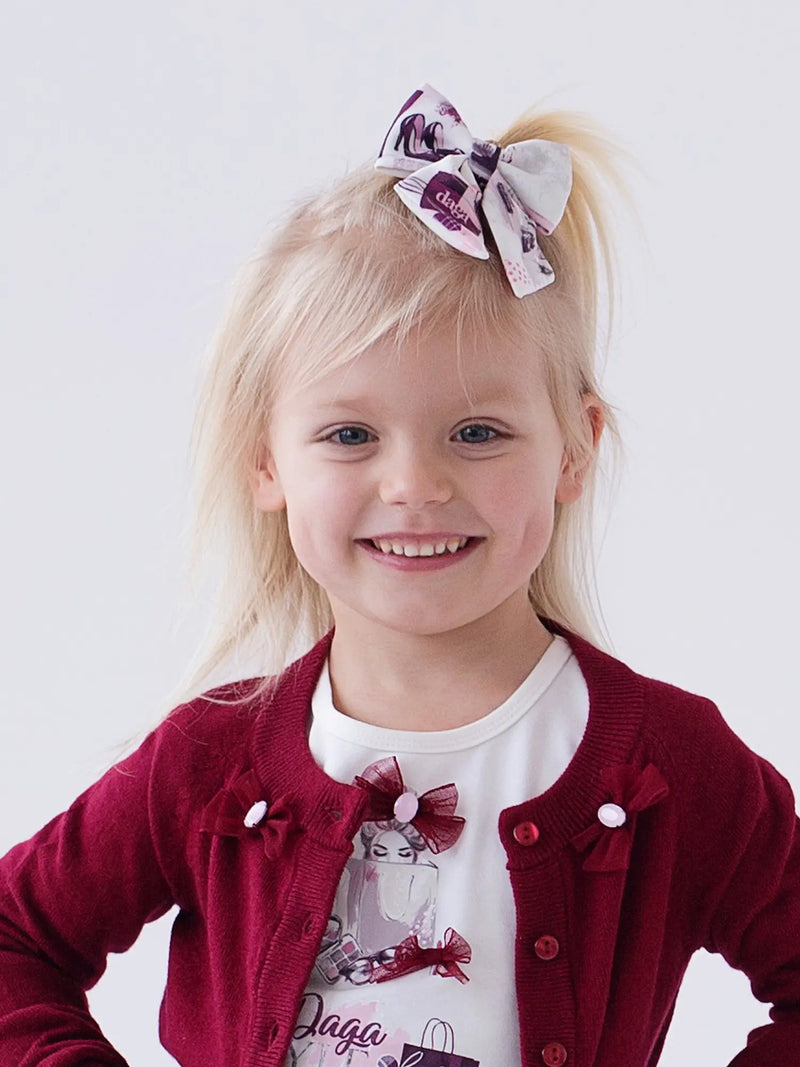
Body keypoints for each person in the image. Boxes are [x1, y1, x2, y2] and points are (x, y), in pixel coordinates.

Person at [0, 82, 798, 1067]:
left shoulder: (665, 763)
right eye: (348, 433)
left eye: (476, 431)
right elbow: (15, 939)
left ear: (572, 451)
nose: (413, 483)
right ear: (266, 461)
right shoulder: (210, 759)